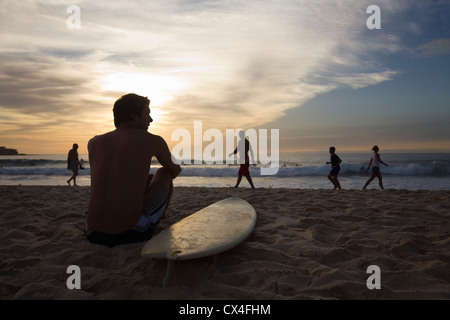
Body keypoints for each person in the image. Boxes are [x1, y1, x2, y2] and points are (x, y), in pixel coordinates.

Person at [84, 93, 181, 247]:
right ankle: (160, 216)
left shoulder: (94, 142)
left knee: (145, 178)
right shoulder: (152, 140)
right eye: (147, 114)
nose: (151, 120)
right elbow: (175, 170)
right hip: (132, 231)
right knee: (164, 172)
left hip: (91, 231)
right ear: (134, 116)